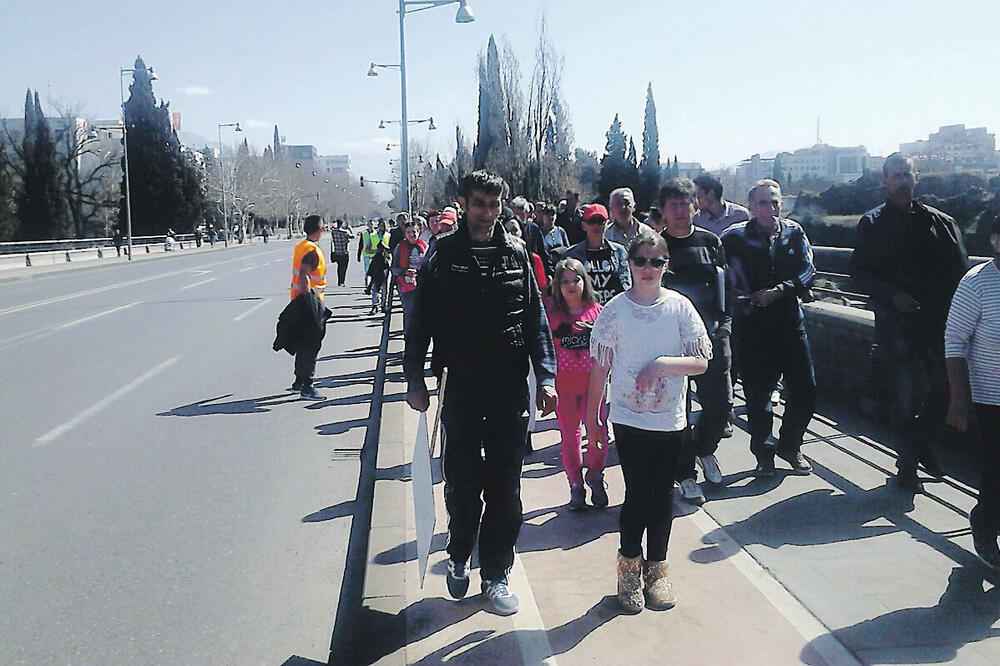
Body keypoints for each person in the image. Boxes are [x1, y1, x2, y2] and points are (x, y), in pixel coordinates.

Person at [403, 170, 558, 616]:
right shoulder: (442, 256)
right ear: (464, 204)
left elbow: (535, 322)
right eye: (478, 204)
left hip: (509, 387)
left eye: (493, 205)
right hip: (461, 385)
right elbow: (421, 322)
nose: (486, 213)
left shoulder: (516, 255)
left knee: (506, 487)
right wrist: (414, 377)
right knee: (464, 483)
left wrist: (545, 377)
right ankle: (457, 552)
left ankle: (495, 573)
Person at [586, 232, 711, 613]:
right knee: (638, 494)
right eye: (641, 260)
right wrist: (594, 421)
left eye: (656, 261)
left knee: (663, 497)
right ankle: (628, 570)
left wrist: (661, 364)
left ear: (665, 265)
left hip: (670, 418)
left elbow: (702, 362)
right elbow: (599, 367)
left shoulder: (680, 308)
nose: (648, 268)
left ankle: (657, 569)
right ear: (630, 264)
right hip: (628, 417)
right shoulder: (616, 310)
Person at [851, 153, 969, 492]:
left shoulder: (941, 223)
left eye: (907, 174)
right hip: (895, 326)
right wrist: (891, 296)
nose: (902, 180)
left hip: (936, 326)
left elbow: (961, 276)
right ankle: (908, 465)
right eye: (895, 175)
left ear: (916, 178)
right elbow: (859, 272)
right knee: (902, 399)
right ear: (884, 180)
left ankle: (917, 447)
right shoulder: (871, 223)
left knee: (946, 393)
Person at [722, 179, 817, 477]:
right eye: (762, 202)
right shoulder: (733, 239)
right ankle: (764, 454)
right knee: (758, 397)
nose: (769, 208)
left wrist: (781, 290)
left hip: (790, 323)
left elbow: (809, 270)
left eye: (774, 202)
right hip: (752, 328)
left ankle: (790, 445)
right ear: (750, 207)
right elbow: (721, 278)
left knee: (805, 390)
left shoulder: (793, 232)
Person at [657, 179, 732, 506]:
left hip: (712, 337)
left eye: (684, 203)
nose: (679, 210)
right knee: (678, 411)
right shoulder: (653, 247)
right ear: (662, 210)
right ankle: (685, 473)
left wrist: (725, 324)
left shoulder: (711, 241)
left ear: (695, 206)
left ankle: (705, 450)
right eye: (672, 204)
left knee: (720, 405)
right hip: (672, 341)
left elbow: (723, 285)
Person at [945, 215, 1000, 567]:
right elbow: (954, 342)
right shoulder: (977, 283)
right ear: (996, 240)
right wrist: (959, 400)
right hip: (990, 396)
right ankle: (984, 523)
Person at [547, 258, 607, 510]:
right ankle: (575, 484)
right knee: (570, 437)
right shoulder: (551, 316)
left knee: (599, 432)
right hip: (565, 388)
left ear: (585, 281)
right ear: (557, 286)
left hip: (594, 386)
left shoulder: (598, 312)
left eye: (576, 279)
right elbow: (545, 351)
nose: (571, 286)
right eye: (565, 282)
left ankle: (595, 475)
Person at [288, 215, 328, 400]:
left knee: (304, 343)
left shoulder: (302, 246)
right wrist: (310, 302)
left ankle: (298, 381)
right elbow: (304, 275)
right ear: (319, 230)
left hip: (299, 299)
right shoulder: (311, 251)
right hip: (309, 302)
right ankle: (307, 386)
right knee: (311, 345)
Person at [563, 204, 631, 305]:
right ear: (583, 225)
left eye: (600, 221)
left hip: (615, 310)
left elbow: (627, 285)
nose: (596, 226)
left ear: (608, 223)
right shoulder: (571, 255)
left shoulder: (620, 252)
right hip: (585, 311)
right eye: (591, 221)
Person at [390, 220, 428, 335]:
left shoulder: (425, 246)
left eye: (415, 231)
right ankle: (408, 336)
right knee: (410, 311)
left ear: (419, 232)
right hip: (405, 285)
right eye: (409, 232)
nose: (413, 234)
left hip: (421, 284)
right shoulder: (400, 247)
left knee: (422, 313)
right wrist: (404, 272)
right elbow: (393, 268)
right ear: (405, 234)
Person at [691, 173, 750, 237]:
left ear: (711, 194)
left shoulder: (741, 215)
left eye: (698, 197)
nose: (695, 201)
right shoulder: (696, 219)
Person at [367, 220, 391, 315]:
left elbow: (392, 248)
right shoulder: (372, 235)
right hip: (376, 263)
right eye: (381, 225)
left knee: (385, 286)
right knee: (375, 285)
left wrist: (385, 248)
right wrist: (376, 250)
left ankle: (383, 305)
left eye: (384, 225)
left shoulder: (389, 235)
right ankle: (374, 305)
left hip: (386, 262)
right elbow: (367, 249)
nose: (383, 227)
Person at [329, 219, 354, 288]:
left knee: (339, 268)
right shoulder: (345, 233)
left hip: (337, 253)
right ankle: (342, 281)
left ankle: (339, 281)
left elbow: (332, 230)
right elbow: (352, 236)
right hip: (344, 253)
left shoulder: (334, 232)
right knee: (344, 268)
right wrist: (349, 228)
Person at [358, 220, 380, 294]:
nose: (370, 225)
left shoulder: (376, 233)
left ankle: (372, 284)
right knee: (367, 270)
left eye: (372, 224)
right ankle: (367, 284)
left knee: (374, 271)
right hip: (366, 255)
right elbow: (361, 244)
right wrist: (358, 254)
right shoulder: (364, 233)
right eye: (369, 224)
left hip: (375, 255)